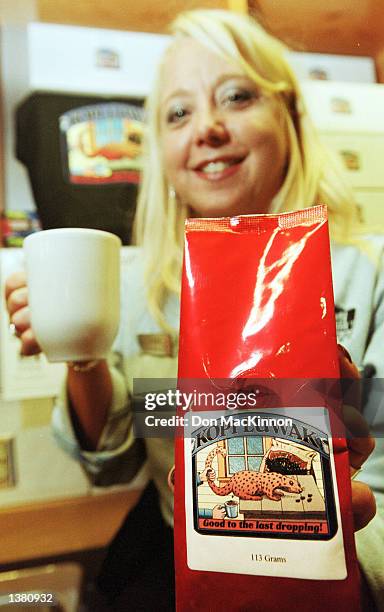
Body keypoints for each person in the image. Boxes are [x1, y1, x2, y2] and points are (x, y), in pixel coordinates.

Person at [5, 9, 382, 611]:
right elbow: (114, 463)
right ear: (162, 152)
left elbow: (380, 472)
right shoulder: (132, 285)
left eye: (236, 96)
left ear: (290, 117)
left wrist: (346, 578)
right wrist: (83, 355)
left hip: (333, 564)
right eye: (178, 113)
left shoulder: (372, 272)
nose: (206, 127)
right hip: (177, 553)